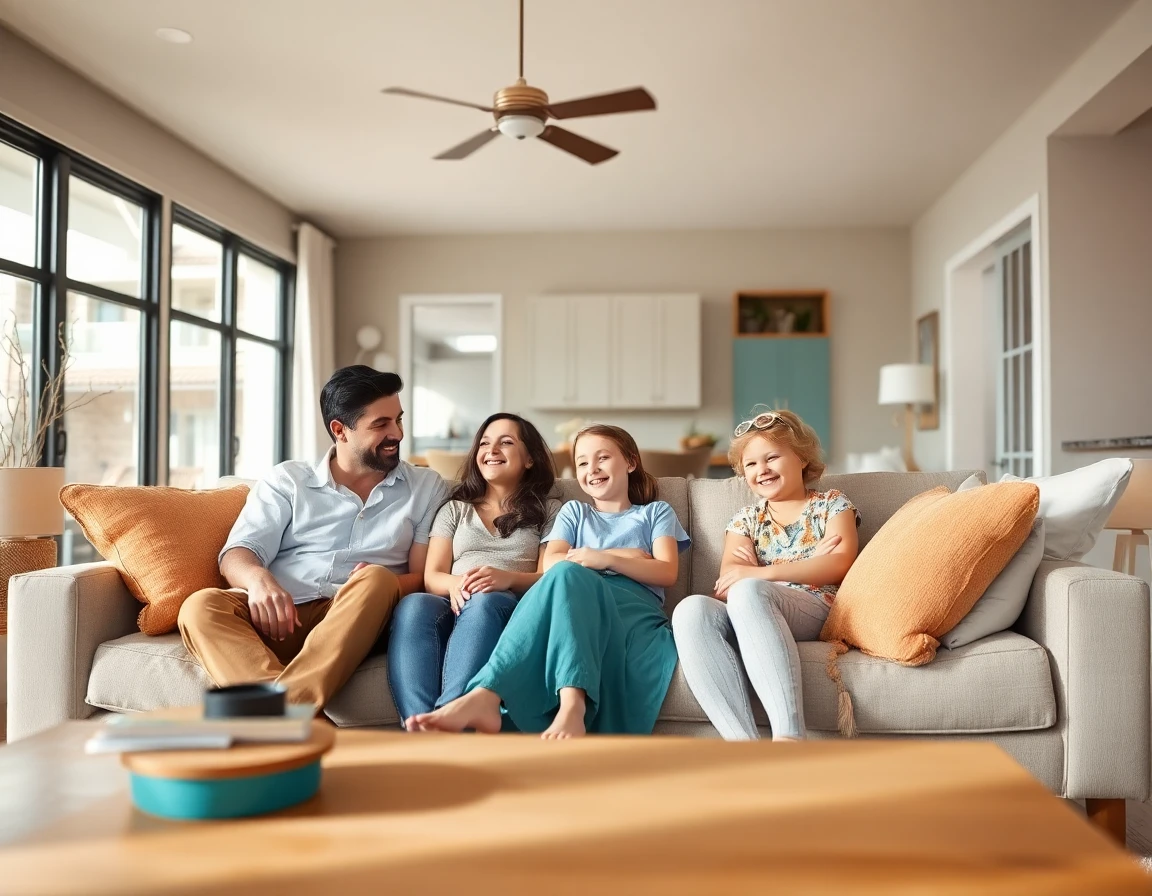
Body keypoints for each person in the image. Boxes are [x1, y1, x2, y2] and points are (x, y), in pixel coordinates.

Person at [178, 366, 449, 710]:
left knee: (376, 578)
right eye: (380, 424)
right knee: (200, 606)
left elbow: (422, 577)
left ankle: (283, 716)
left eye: (398, 419)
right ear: (340, 430)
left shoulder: (426, 487)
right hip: (278, 615)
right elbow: (238, 552)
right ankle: (290, 716)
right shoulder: (288, 480)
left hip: (357, 616)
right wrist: (259, 581)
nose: (396, 433)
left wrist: (376, 582)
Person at [407, 424, 688, 739]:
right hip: (580, 607)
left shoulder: (655, 513)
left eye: (603, 458)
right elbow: (552, 562)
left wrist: (605, 560)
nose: (592, 469)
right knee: (565, 574)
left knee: (568, 572)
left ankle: (556, 706)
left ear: (631, 462)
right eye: (582, 462)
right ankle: (491, 696)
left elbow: (667, 572)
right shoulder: (574, 512)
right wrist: (619, 555)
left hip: (632, 610)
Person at [672, 409, 859, 741]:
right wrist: (806, 563)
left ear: (802, 458)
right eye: (751, 464)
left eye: (772, 457)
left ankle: (790, 738)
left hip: (815, 605)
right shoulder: (746, 519)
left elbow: (838, 564)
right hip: (753, 606)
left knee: (750, 590)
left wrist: (759, 572)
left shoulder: (831, 505)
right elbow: (728, 584)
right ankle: (745, 747)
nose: (762, 469)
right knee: (690, 610)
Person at [387, 413, 560, 723]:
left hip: (507, 604)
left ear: (530, 458)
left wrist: (506, 579)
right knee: (413, 604)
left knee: (484, 600)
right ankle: (419, 725)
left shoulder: (549, 510)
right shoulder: (454, 509)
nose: (491, 450)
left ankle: (452, 716)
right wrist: (456, 584)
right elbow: (432, 576)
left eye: (506, 442)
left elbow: (550, 578)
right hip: (453, 599)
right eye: (484, 443)